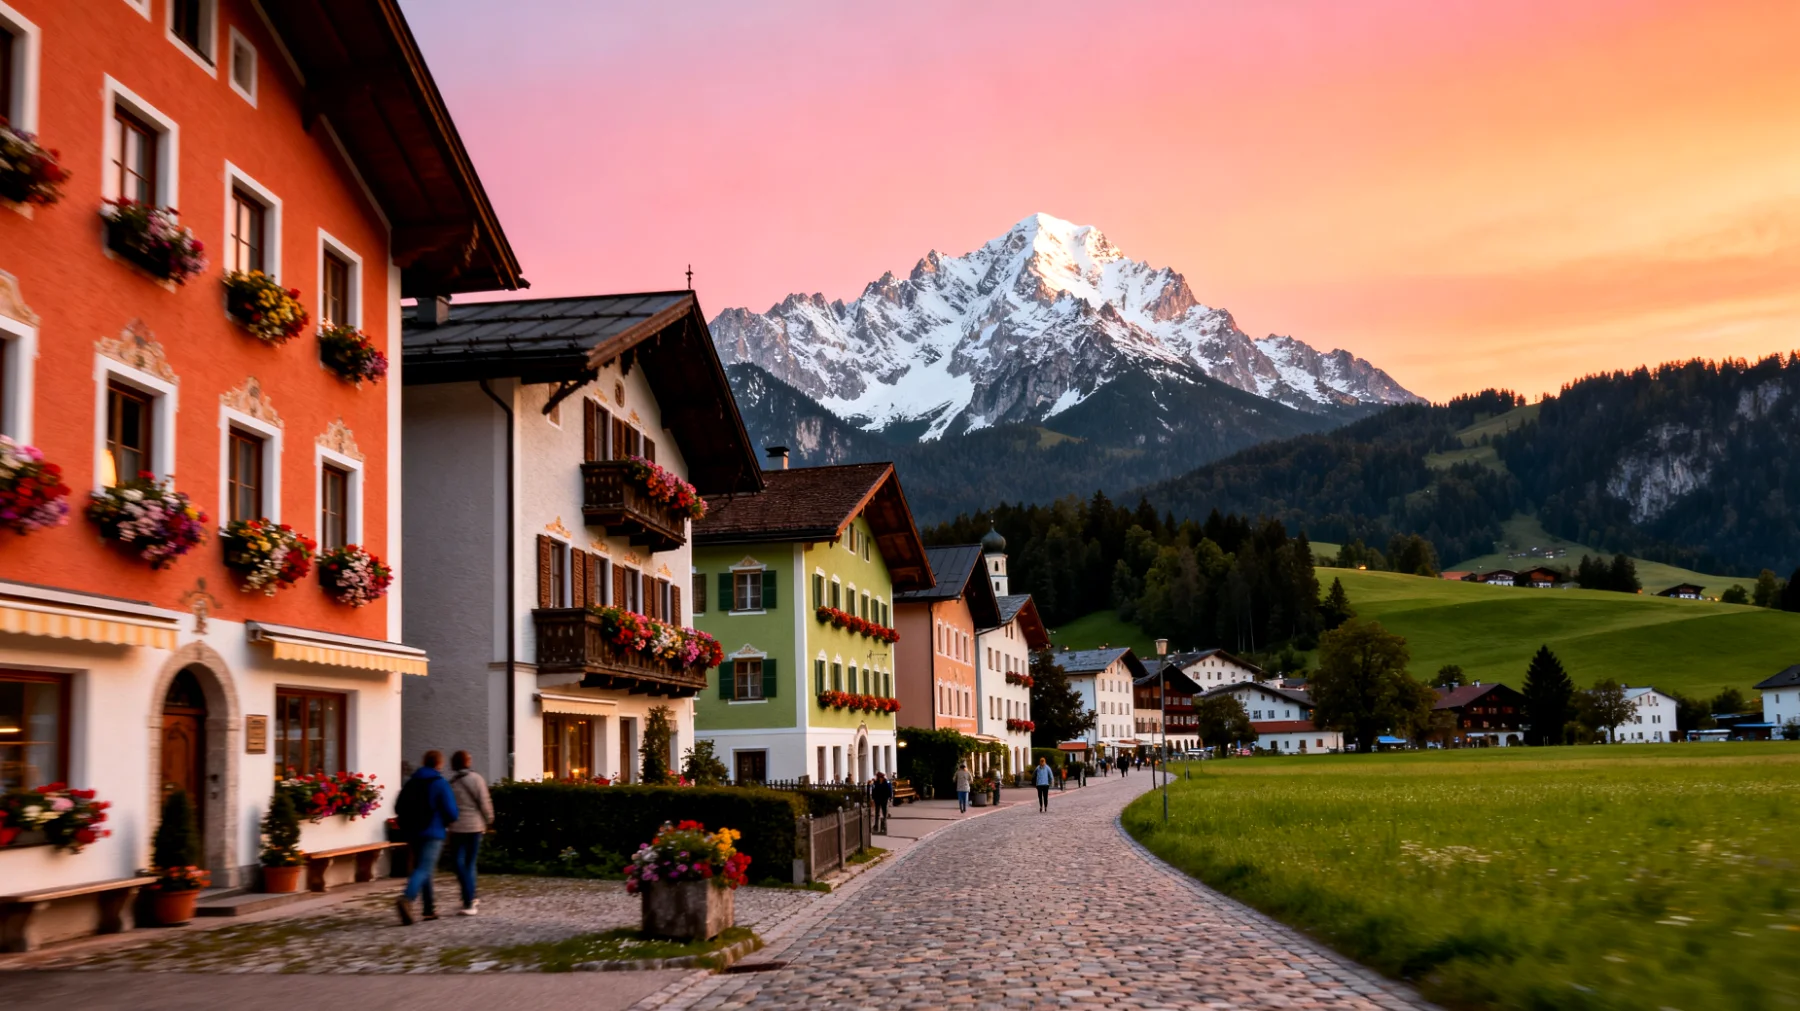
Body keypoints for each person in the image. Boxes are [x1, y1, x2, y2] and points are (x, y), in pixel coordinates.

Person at [394, 749, 458, 925]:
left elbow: (398, 806)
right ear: (439, 763)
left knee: (424, 869)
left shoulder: (411, 782)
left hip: (413, 832)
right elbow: (451, 812)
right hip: (433, 831)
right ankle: (407, 898)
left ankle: (429, 909)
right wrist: (445, 821)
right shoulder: (440, 783)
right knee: (424, 868)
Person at [446, 750, 493, 917]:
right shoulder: (477, 779)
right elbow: (484, 801)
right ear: (467, 762)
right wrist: (489, 819)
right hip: (475, 826)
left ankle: (469, 896)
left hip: (457, 827)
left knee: (459, 863)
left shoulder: (451, 783)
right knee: (470, 862)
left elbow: (448, 806)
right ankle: (470, 896)